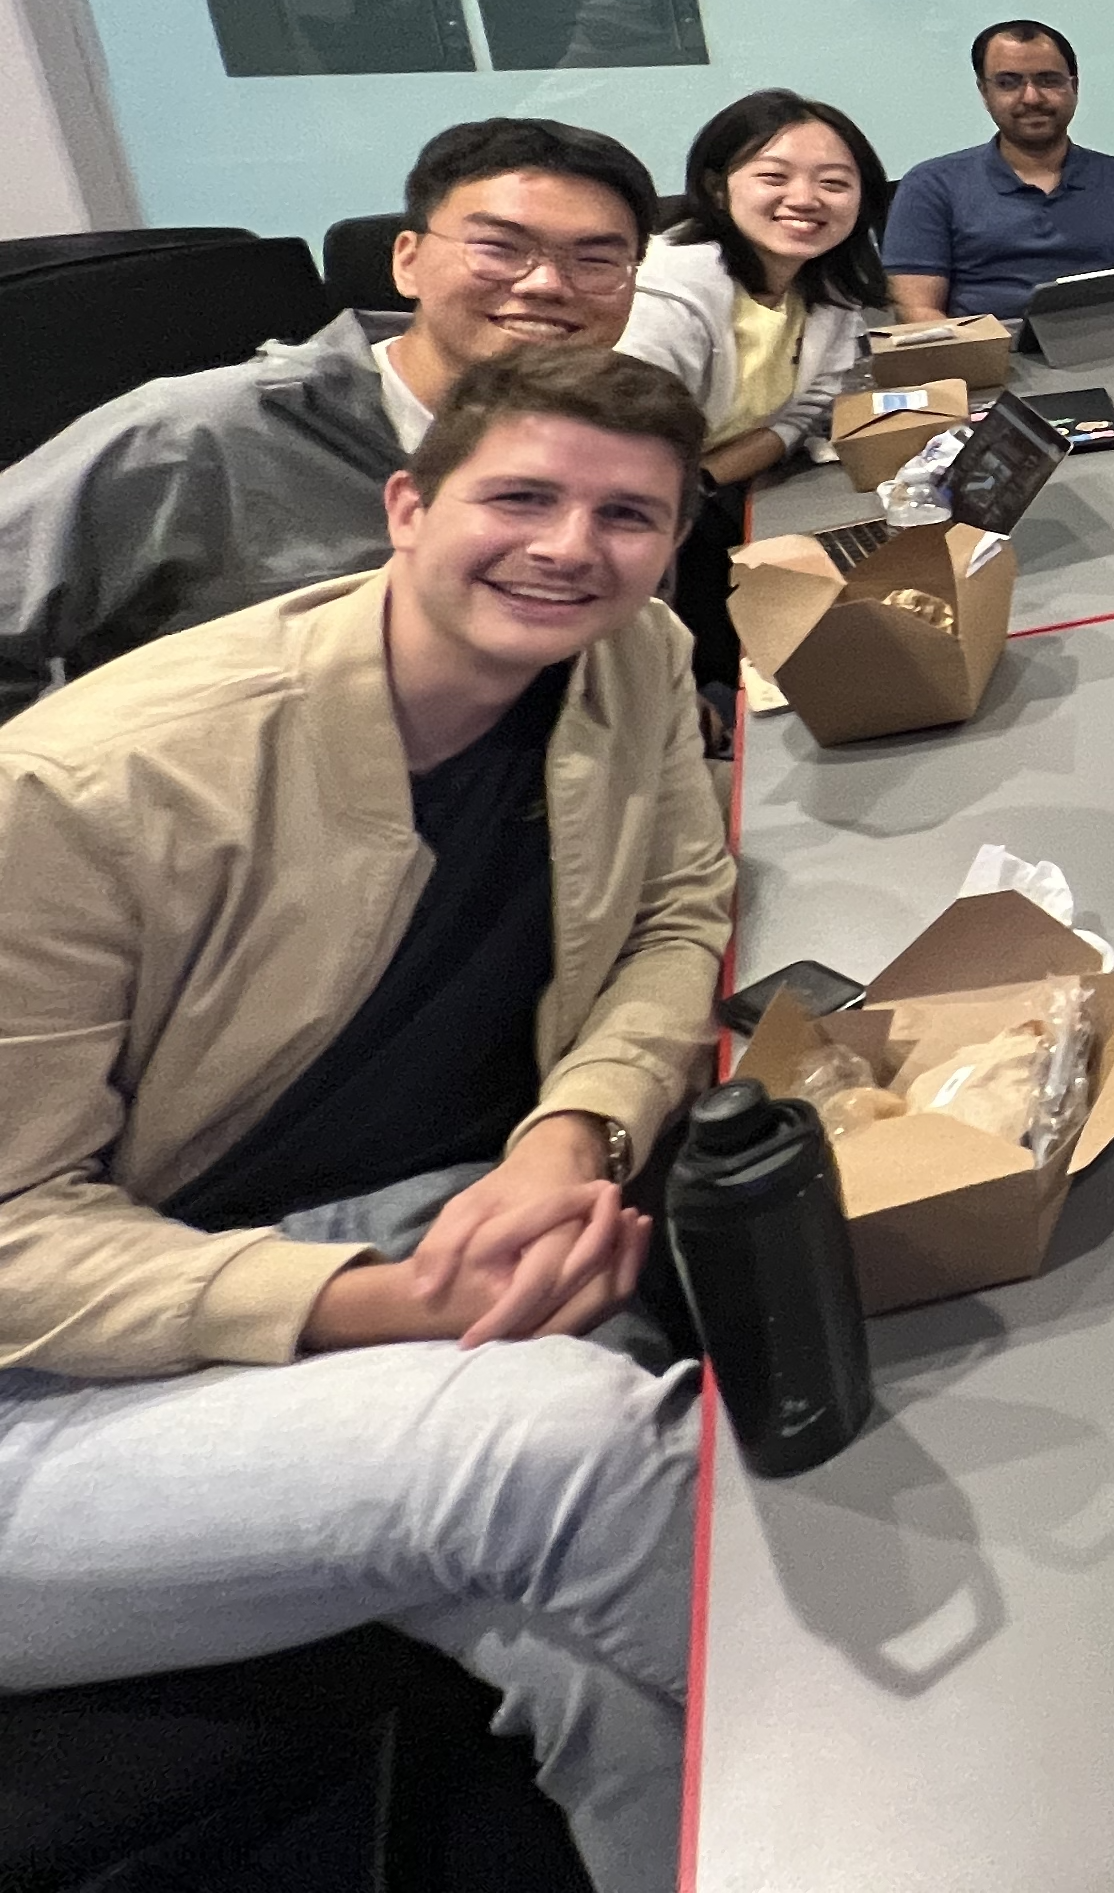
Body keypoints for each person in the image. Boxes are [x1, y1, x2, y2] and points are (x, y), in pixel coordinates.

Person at [0, 345, 735, 1893]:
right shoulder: (82, 790)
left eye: (626, 516)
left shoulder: (632, 656)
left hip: (338, 1234)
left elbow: (678, 912)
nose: (567, 548)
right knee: (564, 1451)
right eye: (520, 497)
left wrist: (570, 1136)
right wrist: (375, 1306)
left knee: (588, 1630)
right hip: (46, 1381)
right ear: (404, 507)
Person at [0, 116, 654, 717]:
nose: (546, 284)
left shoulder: (610, 440)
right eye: (500, 248)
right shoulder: (198, 435)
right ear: (408, 261)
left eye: (595, 260)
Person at [625, 90, 894, 695]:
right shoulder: (663, 296)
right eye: (774, 177)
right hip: (644, 530)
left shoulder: (826, 283)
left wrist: (706, 479)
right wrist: (689, 492)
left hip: (716, 494)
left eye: (834, 182)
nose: (805, 200)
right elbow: (624, 460)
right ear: (719, 188)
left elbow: (806, 410)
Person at [883, 19, 1114, 323]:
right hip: (992, 361)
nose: (1031, 97)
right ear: (984, 93)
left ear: (1074, 86)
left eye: (1048, 80)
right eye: (1008, 83)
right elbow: (917, 312)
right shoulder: (930, 186)